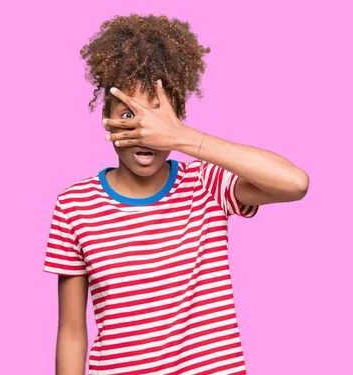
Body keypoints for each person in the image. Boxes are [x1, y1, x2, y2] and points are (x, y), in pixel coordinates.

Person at [42, 13, 310, 375]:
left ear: (178, 119)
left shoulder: (206, 184)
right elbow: (72, 333)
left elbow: (294, 183)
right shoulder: (75, 205)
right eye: (129, 116)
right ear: (105, 118)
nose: (145, 134)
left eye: (158, 119)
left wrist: (181, 138)